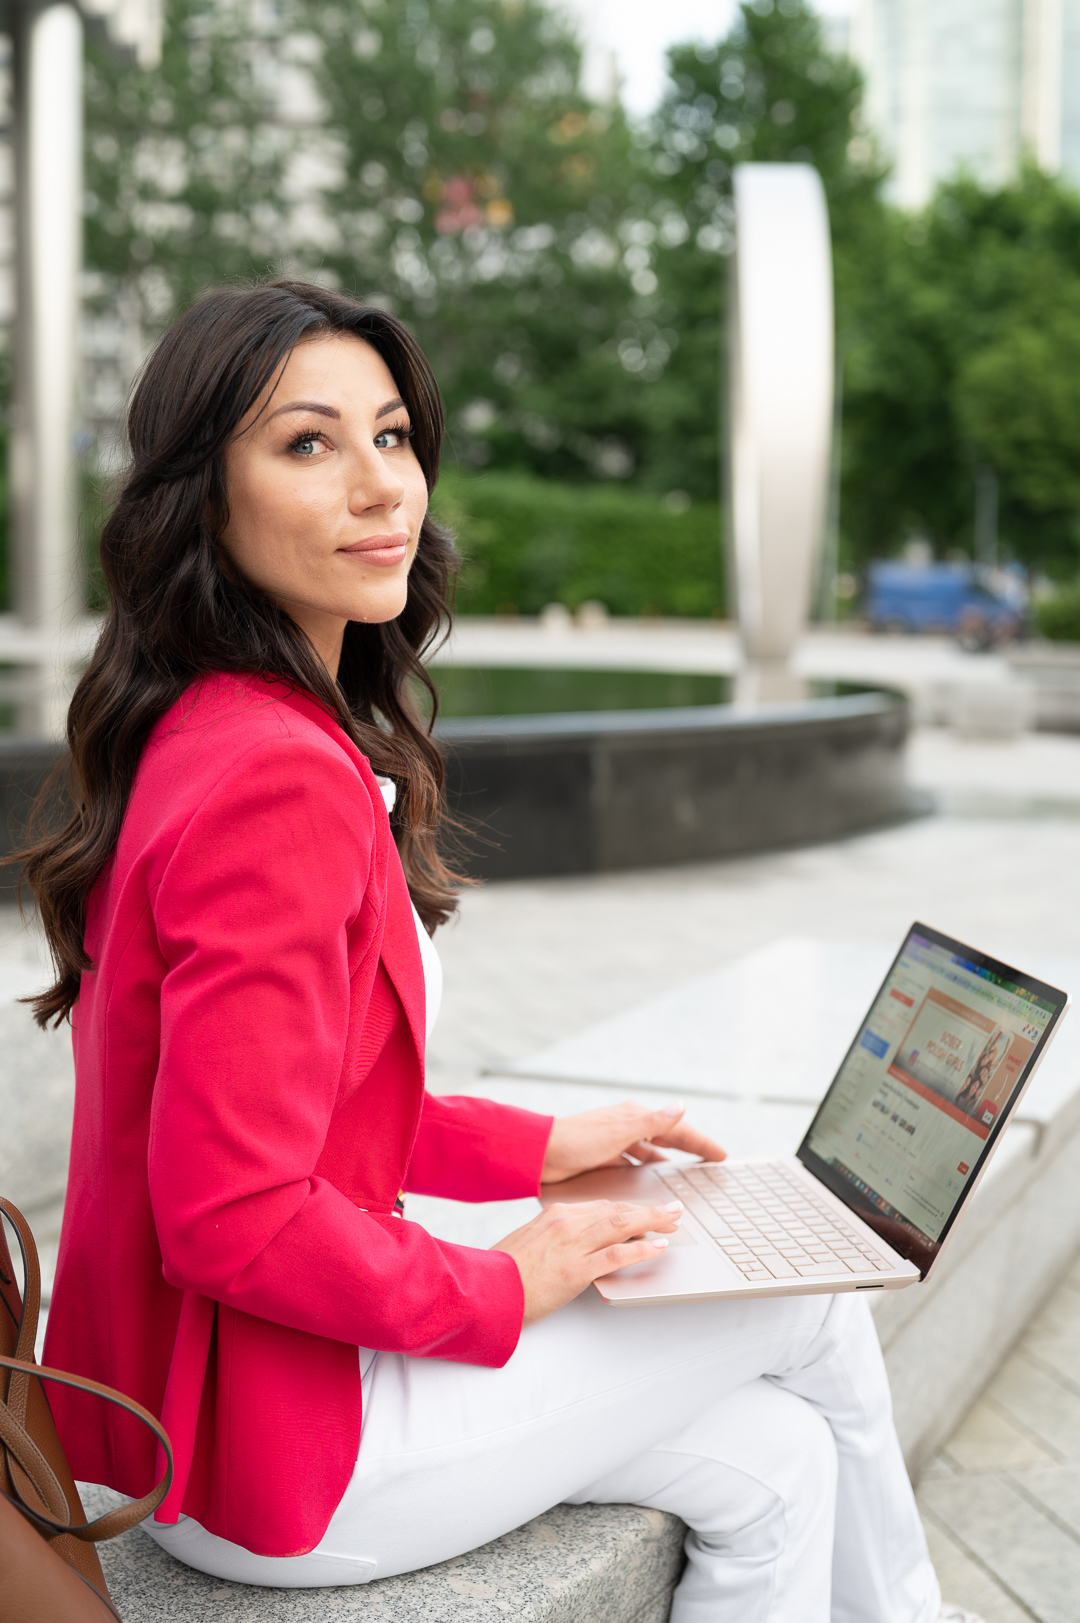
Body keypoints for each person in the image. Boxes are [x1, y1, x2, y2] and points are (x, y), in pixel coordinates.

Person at [33, 281, 977, 1622]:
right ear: (206, 497)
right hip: (277, 1455)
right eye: (308, 444)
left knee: (776, 1465)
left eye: (395, 437)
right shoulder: (274, 782)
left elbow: (306, 1106)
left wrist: (544, 1152)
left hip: (208, 1422)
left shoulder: (211, 723)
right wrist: (510, 1274)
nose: (379, 488)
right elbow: (230, 1213)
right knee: (812, 1304)